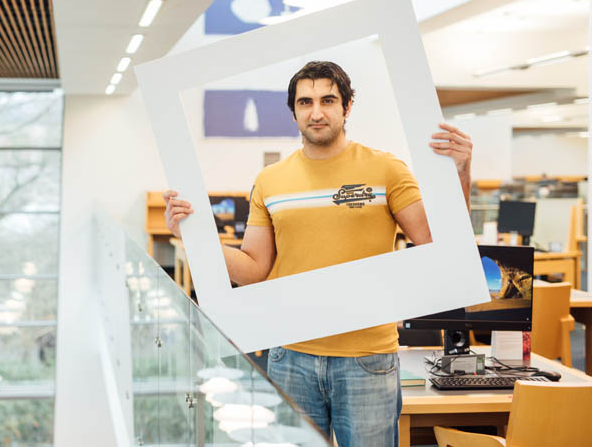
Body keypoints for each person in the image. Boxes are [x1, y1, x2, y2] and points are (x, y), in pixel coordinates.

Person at [163, 61, 472, 447]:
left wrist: (460, 172)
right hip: (290, 355)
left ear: (347, 106)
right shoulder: (270, 180)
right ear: (293, 110)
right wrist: (194, 237)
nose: (316, 111)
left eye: (328, 99)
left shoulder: (386, 169)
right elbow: (253, 271)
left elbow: (437, 247)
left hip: (368, 358)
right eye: (305, 102)